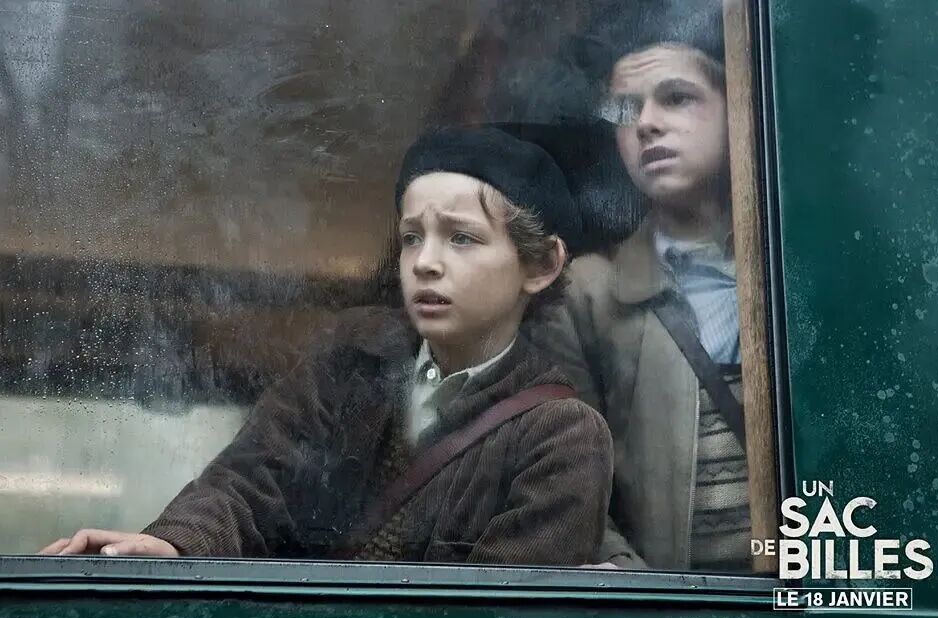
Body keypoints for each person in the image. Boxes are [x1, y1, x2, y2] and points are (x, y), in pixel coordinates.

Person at [40, 126, 614, 565]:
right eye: (411, 237)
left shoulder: (560, 436)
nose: (425, 263)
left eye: (462, 238)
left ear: (541, 265)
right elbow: (252, 478)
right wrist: (173, 545)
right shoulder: (353, 354)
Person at [537, 4, 752, 571]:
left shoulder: (797, 269)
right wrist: (630, 580)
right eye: (627, 109)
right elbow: (568, 478)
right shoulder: (586, 293)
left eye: (677, 97)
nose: (646, 124)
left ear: (738, 109)